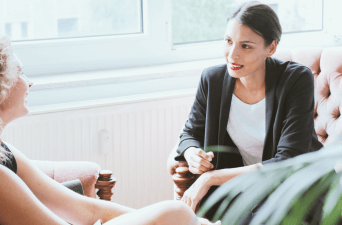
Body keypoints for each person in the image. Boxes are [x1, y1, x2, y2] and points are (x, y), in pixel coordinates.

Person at [0, 36, 221, 225]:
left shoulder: (6, 152)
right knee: (177, 211)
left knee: (178, 215)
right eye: (20, 73)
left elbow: (85, 209)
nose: (29, 83)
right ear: (2, 89)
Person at [167, 1, 323, 221]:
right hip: (243, 192)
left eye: (246, 46)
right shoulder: (212, 80)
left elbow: (288, 160)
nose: (232, 55)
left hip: (294, 188)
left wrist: (210, 178)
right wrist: (192, 152)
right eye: (229, 41)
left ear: (271, 48)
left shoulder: (296, 80)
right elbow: (189, 134)